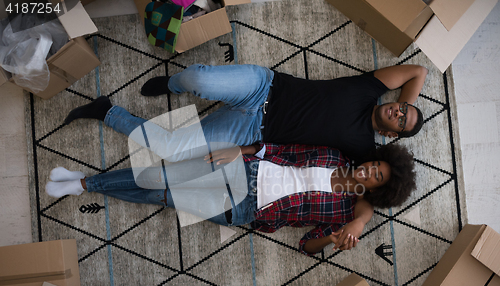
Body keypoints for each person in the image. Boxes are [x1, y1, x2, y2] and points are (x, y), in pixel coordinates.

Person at [46, 138, 416, 256]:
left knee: (162, 194)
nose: (369, 170)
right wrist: (240, 150)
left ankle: (83, 185)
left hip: (246, 209)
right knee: (161, 176)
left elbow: (307, 247)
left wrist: (330, 240)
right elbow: (283, 148)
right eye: (374, 164)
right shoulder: (334, 156)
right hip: (249, 169)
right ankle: (84, 184)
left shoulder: (345, 214)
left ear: (377, 189)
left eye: (377, 176)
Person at [132, 63, 428, 162]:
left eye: (402, 121)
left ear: (391, 134)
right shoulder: (370, 89)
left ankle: (109, 113)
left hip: (251, 130)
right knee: (197, 80)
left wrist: (243, 151)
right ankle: (172, 84)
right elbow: (419, 71)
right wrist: (408, 109)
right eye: (403, 108)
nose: (398, 112)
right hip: (264, 87)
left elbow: (378, 186)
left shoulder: (363, 147)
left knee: (173, 151)